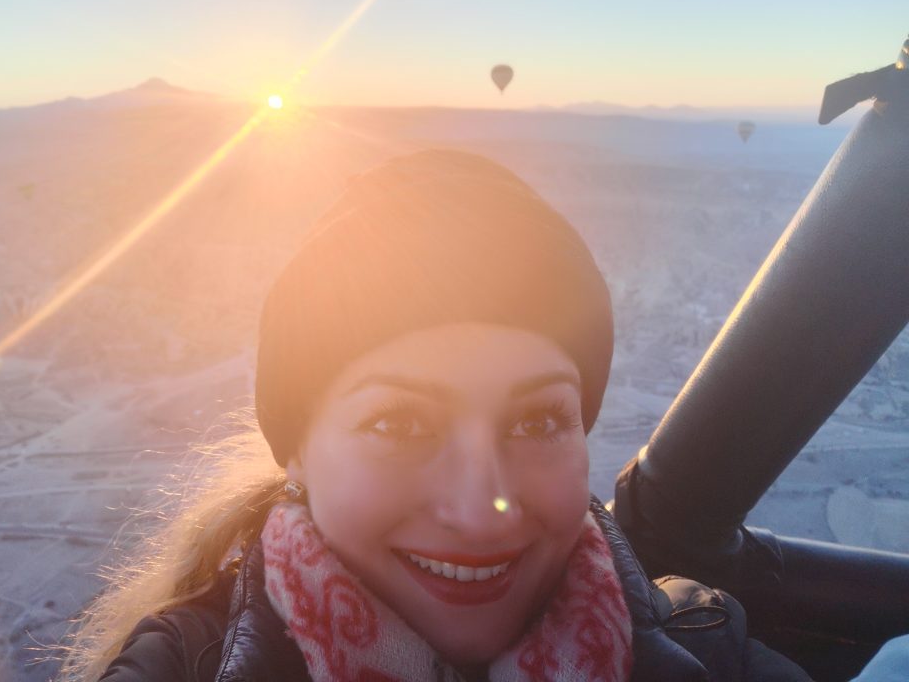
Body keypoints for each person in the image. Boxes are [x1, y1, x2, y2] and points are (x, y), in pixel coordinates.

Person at [59, 150, 811, 682]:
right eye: (399, 425)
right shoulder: (173, 668)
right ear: (296, 451)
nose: (482, 512)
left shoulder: (712, 648)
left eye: (539, 422)